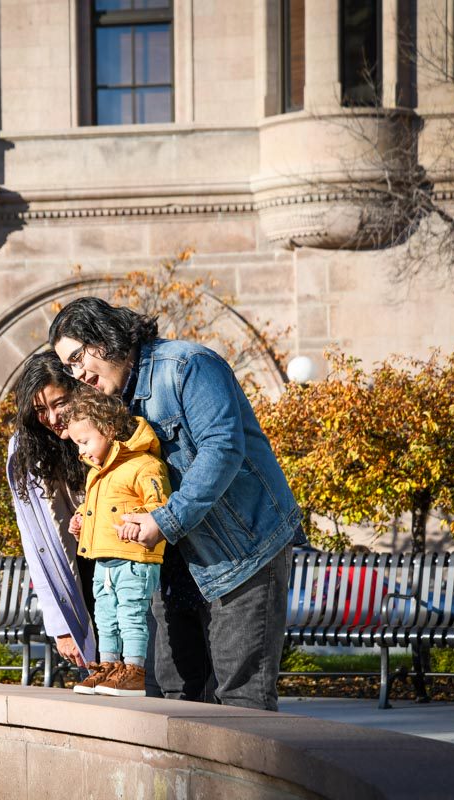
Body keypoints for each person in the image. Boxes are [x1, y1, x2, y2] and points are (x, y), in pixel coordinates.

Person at [48, 297, 306, 711]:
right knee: (170, 698)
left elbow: (222, 449)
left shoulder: (187, 366)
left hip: (241, 553)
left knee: (242, 698)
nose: (77, 373)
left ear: (105, 337)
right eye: (68, 366)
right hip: (168, 563)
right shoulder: (113, 400)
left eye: (78, 357)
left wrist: (164, 521)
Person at [63, 389, 169, 696]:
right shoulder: (98, 473)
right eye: (77, 445)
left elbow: (160, 505)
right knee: (105, 616)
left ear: (108, 430)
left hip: (134, 559)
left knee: (131, 615)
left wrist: (136, 521)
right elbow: (97, 506)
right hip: (104, 560)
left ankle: (133, 671)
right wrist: (82, 518)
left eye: (84, 442)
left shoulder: (144, 465)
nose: (80, 451)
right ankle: (107, 668)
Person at [6, 353, 97, 671]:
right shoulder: (27, 450)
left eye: (60, 403)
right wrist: (60, 626)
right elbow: (37, 544)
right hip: (79, 572)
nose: (53, 416)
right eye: (40, 409)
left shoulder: (107, 430)